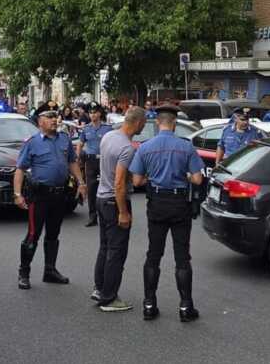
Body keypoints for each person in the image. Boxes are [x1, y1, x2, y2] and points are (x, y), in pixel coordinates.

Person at [130, 105, 206, 322]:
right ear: (174, 124)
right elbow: (198, 179)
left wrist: (151, 179)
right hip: (179, 202)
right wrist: (185, 178)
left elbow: (136, 181)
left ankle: (149, 304)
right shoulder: (185, 147)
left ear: (157, 123)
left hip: (156, 202)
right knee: (182, 257)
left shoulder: (145, 148)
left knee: (154, 255)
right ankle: (185, 307)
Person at [13, 103, 86, 290]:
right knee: (33, 234)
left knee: (53, 233)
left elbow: (72, 162)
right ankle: (24, 272)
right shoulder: (32, 142)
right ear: (40, 121)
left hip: (59, 194)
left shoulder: (64, 139)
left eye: (56, 116)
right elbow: (20, 169)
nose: (55, 120)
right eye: (50, 117)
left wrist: (81, 182)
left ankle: (50, 270)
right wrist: (17, 194)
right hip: (40, 196)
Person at [92, 107, 147, 312]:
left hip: (100, 197)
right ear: (139, 123)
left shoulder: (108, 136)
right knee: (116, 252)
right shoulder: (127, 147)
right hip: (114, 201)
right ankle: (109, 298)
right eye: (144, 122)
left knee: (105, 248)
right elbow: (119, 183)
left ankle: (99, 289)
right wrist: (123, 212)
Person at [77, 103, 114, 227]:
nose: (93, 115)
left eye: (95, 112)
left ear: (99, 113)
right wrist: (78, 157)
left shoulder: (108, 128)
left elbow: (113, 144)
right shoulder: (86, 129)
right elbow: (80, 144)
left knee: (106, 187)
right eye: (91, 113)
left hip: (104, 160)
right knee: (92, 189)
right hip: (91, 161)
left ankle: (107, 214)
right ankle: (92, 216)